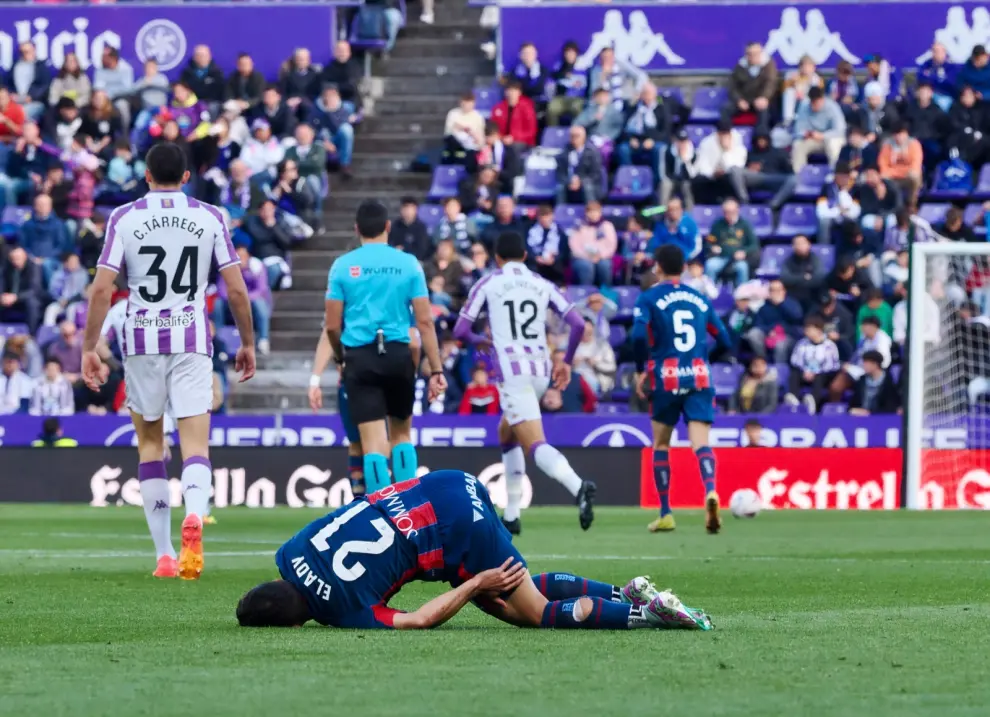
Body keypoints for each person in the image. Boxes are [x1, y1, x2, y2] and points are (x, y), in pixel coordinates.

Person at [80, 142, 257, 581]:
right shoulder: (210, 216)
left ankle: (163, 555)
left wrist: (88, 347)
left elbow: (102, 290)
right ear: (186, 176)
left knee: (151, 447)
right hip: (191, 337)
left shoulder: (124, 217)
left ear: (145, 175)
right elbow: (236, 289)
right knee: (196, 447)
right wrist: (248, 342)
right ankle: (195, 515)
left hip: (140, 340)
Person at [236, 469, 713, 631]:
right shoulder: (291, 548)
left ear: (296, 624)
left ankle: (646, 614)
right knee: (510, 589)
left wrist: (472, 583)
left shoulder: (342, 610)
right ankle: (626, 591)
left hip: (452, 530)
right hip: (442, 484)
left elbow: (420, 619)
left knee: (531, 613)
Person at [453, 232, 595, 533]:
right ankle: (512, 515)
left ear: (497, 258)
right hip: (541, 370)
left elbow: (460, 329)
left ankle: (579, 486)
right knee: (507, 432)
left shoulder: (489, 282)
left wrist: (482, 341)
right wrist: (566, 362)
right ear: (526, 257)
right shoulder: (542, 284)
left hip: (512, 372)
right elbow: (578, 324)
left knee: (534, 442)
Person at [325, 200, 446, 493]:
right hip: (398, 354)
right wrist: (436, 368)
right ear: (388, 228)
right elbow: (425, 322)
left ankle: (381, 510)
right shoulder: (408, 264)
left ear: (357, 230)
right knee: (402, 434)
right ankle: (408, 508)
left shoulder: (342, 266)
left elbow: (332, 325)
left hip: (360, 356)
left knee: (372, 441)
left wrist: (341, 358)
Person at [632, 244, 733, 534]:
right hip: (699, 377)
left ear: (658, 267)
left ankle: (666, 512)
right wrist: (703, 361)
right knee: (700, 442)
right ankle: (711, 491)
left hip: (666, 376)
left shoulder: (649, 297)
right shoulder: (700, 298)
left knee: (661, 443)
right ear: (684, 268)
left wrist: (641, 370)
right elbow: (725, 339)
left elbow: (639, 335)